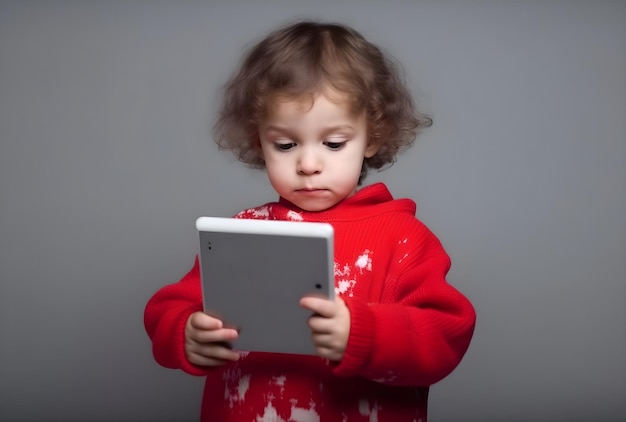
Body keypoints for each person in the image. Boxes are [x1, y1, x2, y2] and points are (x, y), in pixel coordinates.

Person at [144, 20, 475, 421]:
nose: (308, 164)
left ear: (371, 137)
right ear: (259, 140)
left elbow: (445, 336)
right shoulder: (246, 231)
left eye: (334, 143)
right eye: (285, 144)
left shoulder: (403, 239)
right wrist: (184, 333)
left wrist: (362, 334)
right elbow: (170, 306)